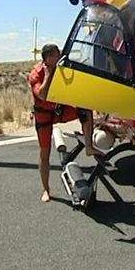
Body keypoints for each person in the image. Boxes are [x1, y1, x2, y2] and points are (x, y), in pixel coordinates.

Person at [28, 43, 104, 203]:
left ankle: (89, 146)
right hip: (43, 116)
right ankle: (46, 190)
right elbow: (41, 95)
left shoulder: (62, 68)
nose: (60, 56)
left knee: (85, 109)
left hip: (59, 109)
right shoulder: (36, 74)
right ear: (48, 58)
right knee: (44, 154)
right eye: (57, 55)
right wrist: (48, 75)